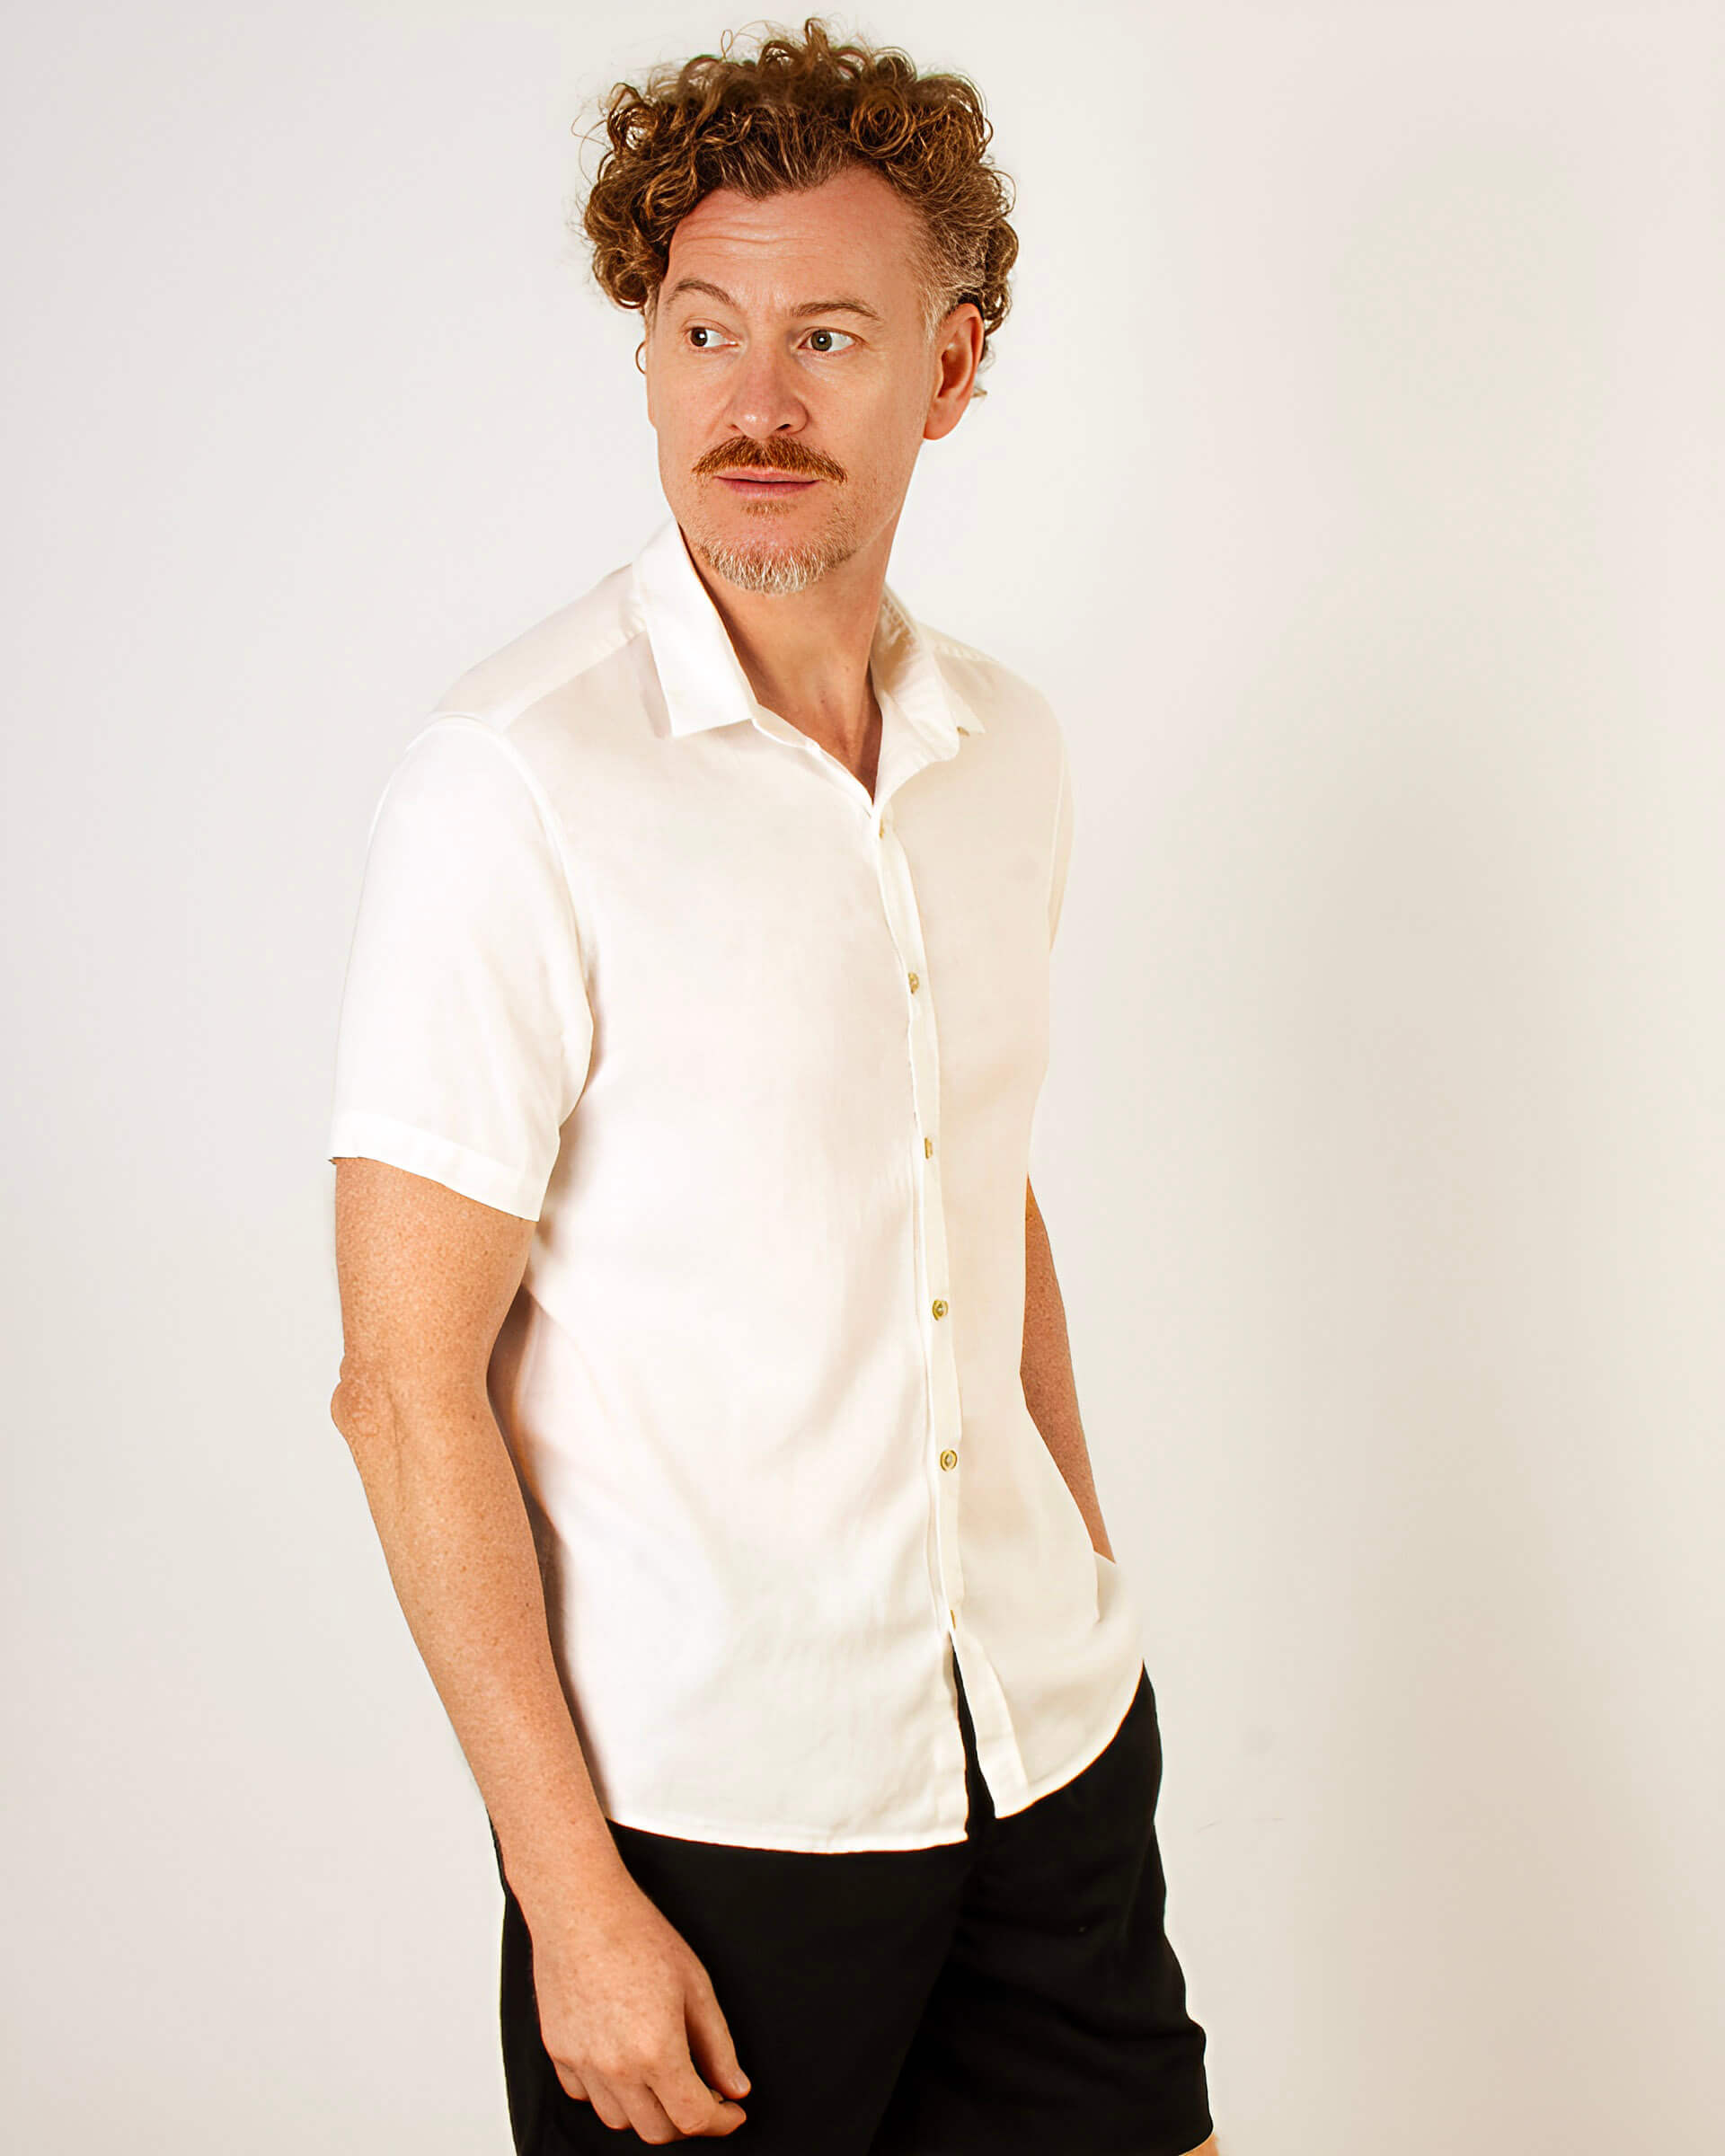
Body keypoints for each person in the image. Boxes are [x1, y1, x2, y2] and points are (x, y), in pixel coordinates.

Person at [325, 18, 1218, 2153]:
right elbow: (405, 1389)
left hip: (1045, 1744)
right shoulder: (515, 782)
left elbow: (971, 1182)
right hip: (716, 1823)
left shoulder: (1007, 752)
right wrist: (569, 1897)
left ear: (952, 368)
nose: (755, 402)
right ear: (647, 353)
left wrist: (1078, 1563)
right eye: (703, 328)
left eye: (828, 336)